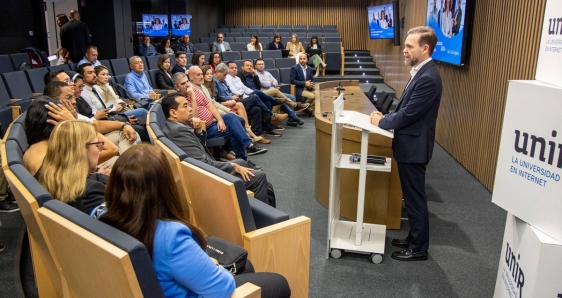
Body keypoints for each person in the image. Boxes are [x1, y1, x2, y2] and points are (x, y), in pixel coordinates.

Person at [99, 144, 290, 297]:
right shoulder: (170, 236)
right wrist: (212, 265)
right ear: (164, 186)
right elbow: (221, 288)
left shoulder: (101, 215)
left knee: (246, 266)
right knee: (279, 283)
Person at [369, 26, 442, 262]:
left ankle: (419, 247)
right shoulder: (420, 72)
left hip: (415, 148)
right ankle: (413, 238)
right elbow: (405, 109)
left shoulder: (429, 77)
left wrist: (382, 121)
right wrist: (387, 118)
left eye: (410, 47)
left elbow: (409, 114)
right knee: (411, 198)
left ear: (425, 48)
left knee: (415, 198)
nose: (405, 51)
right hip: (409, 145)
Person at [161, 94, 273, 205]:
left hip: (203, 169)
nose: (190, 109)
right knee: (259, 177)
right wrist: (232, 166)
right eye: (185, 106)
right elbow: (202, 164)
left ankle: (266, 199)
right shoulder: (178, 132)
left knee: (243, 163)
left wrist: (199, 130)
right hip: (206, 178)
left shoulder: (173, 127)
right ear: (173, 112)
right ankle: (265, 218)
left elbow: (195, 150)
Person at [172, 71, 267, 159]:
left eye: (187, 81)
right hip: (204, 129)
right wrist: (192, 97)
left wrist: (220, 120)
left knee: (232, 116)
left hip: (213, 122)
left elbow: (210, 105)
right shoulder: (180, 100)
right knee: (233, 129)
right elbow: (194, 118)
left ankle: (247, 147)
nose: (187, 85)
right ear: (177, 87)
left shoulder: (195, 90)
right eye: (183, 83)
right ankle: (244, 155)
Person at [37, 120, 109, 215]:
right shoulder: (90, 194)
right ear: (81, 151)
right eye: (97, 145)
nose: (100, 151)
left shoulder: (48, 177)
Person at [200, 65, 264, 144]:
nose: (210, 76)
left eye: (210, 74)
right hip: (216, 110)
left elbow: (217, 98)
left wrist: (231, 99)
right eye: (207, 74)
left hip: (222, 105)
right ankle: (249, 134)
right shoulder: (203, 87)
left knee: (256, 108)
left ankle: (252, 132)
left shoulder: (212, 84)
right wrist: (228, 102)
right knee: (254, 97)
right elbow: (213, 103)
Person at [214, 63, 275, 143]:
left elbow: (230, 92)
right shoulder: (214, 82)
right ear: (218, 72)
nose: (225, 77)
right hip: (228, 103)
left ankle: (257, 133)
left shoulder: (223, 80)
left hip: (234, 100)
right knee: (255, 97)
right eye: (224, 75)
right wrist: (231, 98)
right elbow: (217, 97)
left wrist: (235, 95)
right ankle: (270, 115)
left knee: (257, 109)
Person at [224, 61, 286, 137]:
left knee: (261, 105)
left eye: (235, 68)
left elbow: (245, 88)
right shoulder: (227, 78)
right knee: (257, 94)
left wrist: (252, 92)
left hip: (245, 97)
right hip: (238, 100)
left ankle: (262, 130)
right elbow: (234, 91)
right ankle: (272, 108)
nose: (234, 69)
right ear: (227, 69)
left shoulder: (237, 78)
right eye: (232, 68)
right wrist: (250, 95)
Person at [254, 59, 306, 126]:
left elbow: (276, 82)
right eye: (259, 64)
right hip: (265, 93)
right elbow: (264, 84)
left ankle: (291, 119)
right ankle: (295, 117)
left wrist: (270, 82)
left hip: (275, 91)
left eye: (262, 64)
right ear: (255, 66)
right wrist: (270, 82)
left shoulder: (267, 73)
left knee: (292, 97)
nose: (261, 66)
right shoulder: (255, 74)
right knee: (280, 100)